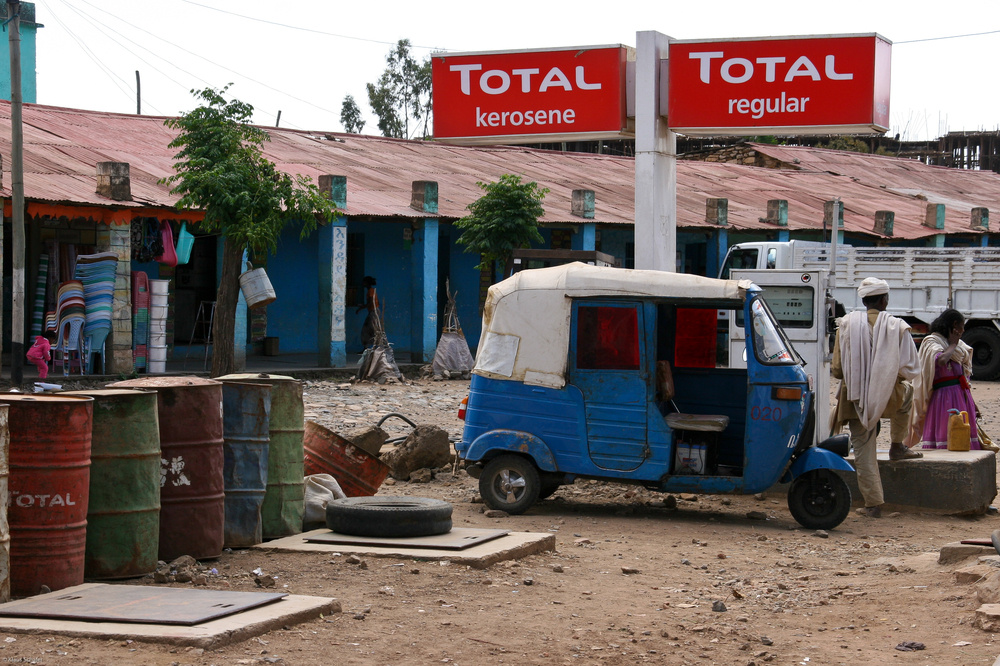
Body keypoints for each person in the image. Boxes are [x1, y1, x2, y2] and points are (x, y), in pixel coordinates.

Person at [831, 277, 921, 519]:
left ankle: (872, 505)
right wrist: (884, 376)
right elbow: (910, 369)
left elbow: (837, 370)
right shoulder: (898, 326)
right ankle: (896, 446)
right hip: (889, 395)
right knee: (909, 394)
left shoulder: (846, 325)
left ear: (863, 300)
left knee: (863, 448)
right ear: (884, 300)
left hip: (855, 398)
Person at [907, 309, 993, 451]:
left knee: (963, 434)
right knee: (945, 432)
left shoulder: (958, 346)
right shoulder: (932, 341)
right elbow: (941, 360)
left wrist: (972, 402)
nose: (963, 329)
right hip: (942, 398)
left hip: (961, 395)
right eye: (962, 325)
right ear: (954, 325)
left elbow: (962, 376)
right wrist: (952, 344)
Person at [356, 276, 379, 349]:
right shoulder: (370, 291)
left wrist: (360, 308)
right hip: (373, 311)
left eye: (364, 282)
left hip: (373, 312)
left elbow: (370, 302)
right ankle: (369, 347)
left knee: (368, 330)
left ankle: (369, 347)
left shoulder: (371, 291)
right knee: (371, 329)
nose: (363, 283)